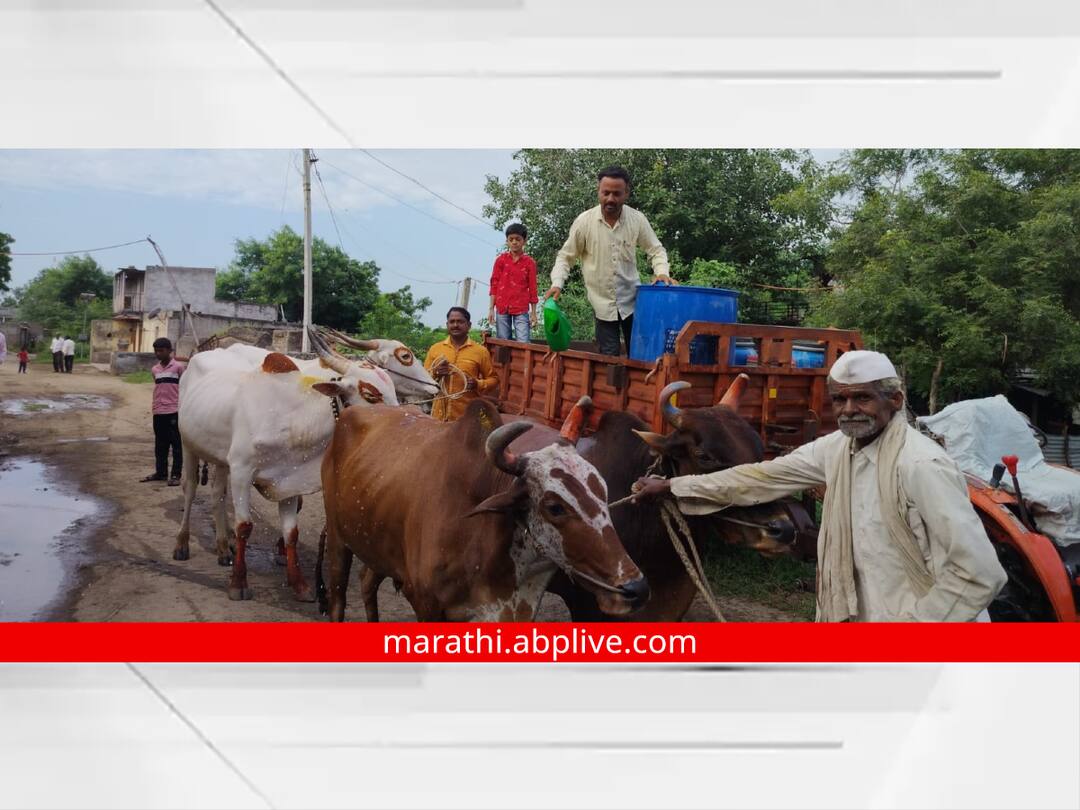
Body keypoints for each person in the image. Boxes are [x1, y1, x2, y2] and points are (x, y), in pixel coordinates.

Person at [632, 350, 1008, 622]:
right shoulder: (837, 449)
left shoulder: (922, 465)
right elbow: (761, 477)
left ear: (894, 400)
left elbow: (978, 573)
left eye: (862, 397)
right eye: (840, 399)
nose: (848, 409)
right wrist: (675, 488)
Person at [544, 165, 675, 356]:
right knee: (609, 357)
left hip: (633, 302)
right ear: (599, 191)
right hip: (602, 304)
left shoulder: (637, 219)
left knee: (639, 355)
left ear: (626, 193)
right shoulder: (584, 222)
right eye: (606, 193)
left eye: (616, 194)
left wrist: (662, 273)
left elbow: (656, 250)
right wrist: (557, 284)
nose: (610, 199)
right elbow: (566, 257)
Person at [423, 307, 498, 422]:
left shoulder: (480, 351)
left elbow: (493, 379)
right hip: (439, 416)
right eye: (452, 322)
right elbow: (424, 379)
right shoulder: (435, 349)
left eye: (460, 321)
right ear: (447, 325)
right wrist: (436, 373)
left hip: (466, 417)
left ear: (469, 325)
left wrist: (477, 383)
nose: (455, 325)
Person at [140, 337, 186, 486]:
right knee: (160, 445)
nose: (158, 353)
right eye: (156, 351)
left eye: (161, 350)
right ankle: (161, 473)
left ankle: (175, 475)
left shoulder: (178, 368)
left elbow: (183, 387)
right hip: (158, 412)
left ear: (169, 351)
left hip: (174, 411)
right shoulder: (155, 369)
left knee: (177, 445)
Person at [488, 222, 538, 343]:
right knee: (503, 342)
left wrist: (533, 313)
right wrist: (491, 309)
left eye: (518, 239)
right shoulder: (501, 260)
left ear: (524, 241)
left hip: (521, 308)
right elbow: (494, 285)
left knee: (524, 342)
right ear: (507, 241)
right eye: (511, 239)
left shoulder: (529, 262)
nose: (514, 242)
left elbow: (533, 288)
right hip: (502, 307)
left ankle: (524, 362)